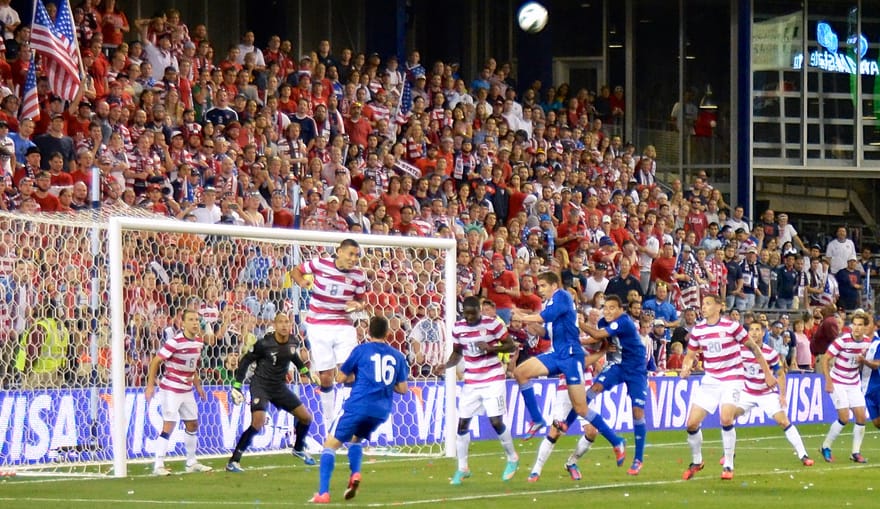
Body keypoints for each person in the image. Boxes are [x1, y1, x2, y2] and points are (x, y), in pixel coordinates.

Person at [512, 272, 625, 466]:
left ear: (554, 285)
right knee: (520, 373)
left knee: (581, 408)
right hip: (558, 355)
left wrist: (522, 315)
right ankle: (537, 419)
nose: (540, 290)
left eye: (543, 286)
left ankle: (616, 441)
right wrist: (528, 324)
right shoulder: (551, 304)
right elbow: (547, 331)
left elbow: (544, 317)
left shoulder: (562, 296)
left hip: (572, 357)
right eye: (539, 286)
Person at [310, 316, 409, 503]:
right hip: (381, 412)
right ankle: (355, 474)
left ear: (368, 332)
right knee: (356, 440)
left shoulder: (361, 351)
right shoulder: (398, 356)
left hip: (358, 405)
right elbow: (403, 389)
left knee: (329, 446)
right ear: (388, 333)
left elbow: (340, 378)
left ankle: (323, 493)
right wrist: (383, 384)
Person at [680, 294, 775, 481]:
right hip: (710, 380)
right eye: (703, 303)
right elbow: (690, 355)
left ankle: (729, 464)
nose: (704, 307)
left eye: (708, 303)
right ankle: (697, 461)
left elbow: (754, 348)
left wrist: (767, 373)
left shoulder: (732, 326)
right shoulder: (698, 330)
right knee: (691, 424)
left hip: (732, 377)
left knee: (725, 418)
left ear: (718, 307)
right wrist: (685, 367)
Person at [290, 239, 367, 430]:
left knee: (348, 371)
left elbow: (361, 299)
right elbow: (295, 270)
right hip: (318, 324)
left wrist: (357, 305)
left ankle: (347, 421)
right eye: (350, 254)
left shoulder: (359, 275)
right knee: (326, 377)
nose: (353, 259)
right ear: (339, 251)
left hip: (343, 324)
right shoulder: (320, 263)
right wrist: (302, 281)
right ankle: (328, 423)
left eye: (357, 255)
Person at [226, 313, 317, 472]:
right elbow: (246, 359)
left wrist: (307, 372)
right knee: (258, 422)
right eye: (280, 322)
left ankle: (298, 448)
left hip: (278, 387)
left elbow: (293, 357)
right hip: (261, 385)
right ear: (275, 325)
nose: (283, 325)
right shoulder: (264, 343)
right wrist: (237, 385)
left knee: (306, 418)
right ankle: (234, 461)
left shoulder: (293, 341)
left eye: (286, 322)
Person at [445, 296, 519, 485]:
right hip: (471, 381)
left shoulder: (493, 324)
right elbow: (457, 352)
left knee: (495, 421)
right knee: (462, 424)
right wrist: (445, 366)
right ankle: (462, 468)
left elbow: (511, 345)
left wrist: (491, 348)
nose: (469, 318)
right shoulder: (458, 327)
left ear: (479, 310)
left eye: (472, 314)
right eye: (466, 314)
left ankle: (512, 458)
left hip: (493, 378)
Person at [580, 294, 649, 475]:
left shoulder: (624, 321)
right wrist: (603, 347)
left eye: (612, 307)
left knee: (637, 412)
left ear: (621, 310)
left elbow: (596, 334)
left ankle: (638, 459)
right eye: (605, 307)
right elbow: (598, 339)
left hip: (636, 369)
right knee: (592, 391)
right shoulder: (603, 322)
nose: (608, 311)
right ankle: (572, 419)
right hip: (618, 366)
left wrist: (576, 323)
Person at [735, 322, 814, 466]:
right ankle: (728, 454)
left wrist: (782, 395)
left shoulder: (770, 353)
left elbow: (780, 374)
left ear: (763, 332)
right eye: (751, 329)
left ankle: (803, 455)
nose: (754, 332)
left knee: (783, 421)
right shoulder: (740, 350)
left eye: (757, 329)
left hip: (766, 393)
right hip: (747, 392)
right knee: (727, 417)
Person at [145, 309, 212, 476]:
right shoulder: (175, 342)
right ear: (183, 323)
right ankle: (158, 464)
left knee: (193, 424)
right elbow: (155, 361)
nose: (195, 322)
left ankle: (191, 462)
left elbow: (192, 367)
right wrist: (150, 385)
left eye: (197, 319)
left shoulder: (198, 342)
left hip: (187, 389)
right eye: (191, 319)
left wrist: (198, 386)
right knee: (169, 425)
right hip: (171, 389)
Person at [819, 310, 871, 463]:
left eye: (860, 325)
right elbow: (826, 359)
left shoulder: (867, 342)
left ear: (865, 327)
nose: (856, 328)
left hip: (854, 382)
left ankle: (855, 452)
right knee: (844, 417)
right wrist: (828, 380)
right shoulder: (842, 341)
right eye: (854, 325)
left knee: (861, 417)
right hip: (838, 382)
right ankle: (825, 446)